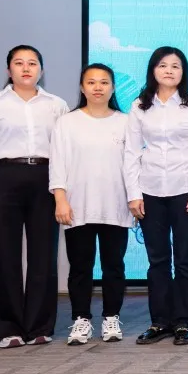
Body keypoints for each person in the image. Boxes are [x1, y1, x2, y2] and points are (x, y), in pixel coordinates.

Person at [0, 45, 68, 348]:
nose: (26, 68)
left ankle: (39, 326)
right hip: (5, 176)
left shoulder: (56, 105)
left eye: (32, 63)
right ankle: (6, 328)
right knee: (3, 253)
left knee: (44, 254)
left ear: (41, 69)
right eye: (19, 63)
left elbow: (64, 147)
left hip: (46, 177)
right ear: (8, 69)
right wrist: (6, 171)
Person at [123, 47, 188, 345]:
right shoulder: (139, 106)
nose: (169, 70)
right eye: (163, 65)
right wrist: (134, 194)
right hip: (150, 191)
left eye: (175, 66)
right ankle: (159, 322)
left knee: (184, 259)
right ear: (153, 70)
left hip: (187, 191)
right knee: (157, 260)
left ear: (183, 72)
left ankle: (184, 322)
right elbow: (131, 152)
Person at [49, 63, 132, 345]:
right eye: (92, 82)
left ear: (113, 88)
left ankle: (111, 318)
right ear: (82, 88)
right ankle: (81, 319)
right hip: (77, 206)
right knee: (80, 267)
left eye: (104, 82)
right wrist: (60, 199)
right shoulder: (67, 122)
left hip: (116, 206)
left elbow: (133, 165)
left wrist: (134, 199)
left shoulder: (125, 122)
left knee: (114, 266)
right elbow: (58, 163)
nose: (98, 87)